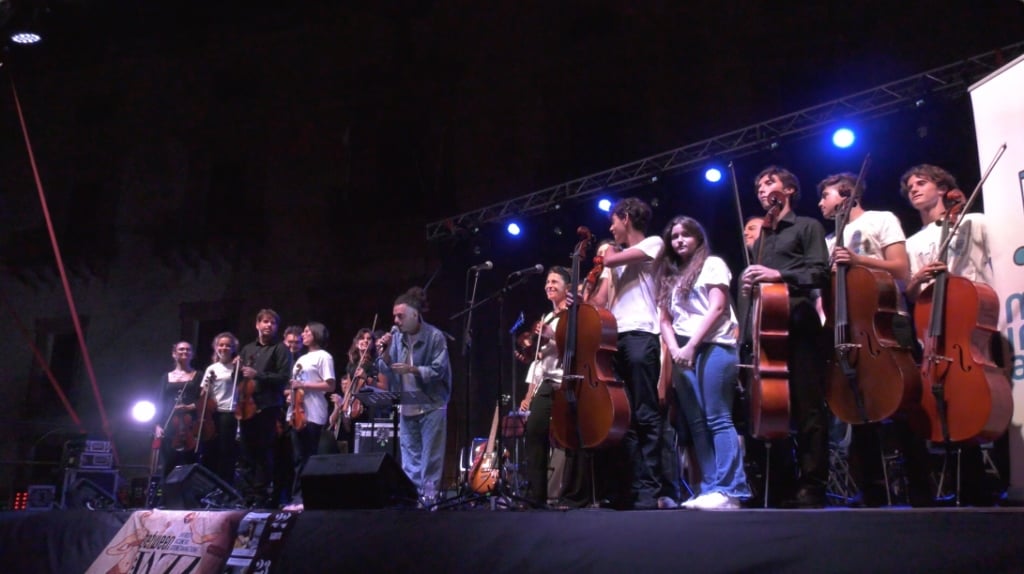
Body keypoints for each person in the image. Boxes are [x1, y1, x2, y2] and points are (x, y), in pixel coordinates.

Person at [817, 172, 934, 506]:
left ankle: (920, 489)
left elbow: (900, 269)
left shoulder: (881, 219)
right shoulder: (827, 241)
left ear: (845, 193)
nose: (820, 203)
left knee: (903, 403)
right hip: (849, 327)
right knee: (857, 405)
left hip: (887, 320)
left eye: (825, 195)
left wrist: (857, 259)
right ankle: (870, 489)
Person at [901, 163, 1005, 506]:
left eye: (922, 182)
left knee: (992, 399)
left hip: (977, 321)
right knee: (948, 402)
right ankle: (968, 481)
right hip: (937, 331)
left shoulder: (972, 222)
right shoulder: (914, 242)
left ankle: (1006, 476)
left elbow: (999, 262)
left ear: (943, 187)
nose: (914, 189)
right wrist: (919, 278)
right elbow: (913, 294)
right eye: (910, 186)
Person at [741, 166, 830, 508]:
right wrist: (749, 285)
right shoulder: (760, 238)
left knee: (808, 406)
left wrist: (778, 273)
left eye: (769, 182)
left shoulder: (807, 226)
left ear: (789, 189)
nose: (762, 189)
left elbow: (819, 272)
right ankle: (777, 484)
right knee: (770, 407)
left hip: (799, 323)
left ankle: (812, 484)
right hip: (764, 327)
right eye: (758, 185)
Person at [655, 215, 751, 510]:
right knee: (696, 422)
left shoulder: (712, 264)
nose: (679, 240)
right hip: (683, 352)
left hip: (714, 346)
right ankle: (710, 488)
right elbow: (665, 320)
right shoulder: (670, 275)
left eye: (685, 235)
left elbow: (717, 307)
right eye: (674, 236)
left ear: (698, 238)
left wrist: (692, 345)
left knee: (717, 416)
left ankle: (731, 488)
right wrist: (675, 350)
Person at [591, 197, 678, 509]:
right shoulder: (616, 258)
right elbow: (600, 301)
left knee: (645, 414)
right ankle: (631, 486)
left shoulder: (653, 243)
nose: (611, 228)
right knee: (623, 416)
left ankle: (652, 489)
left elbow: (611, 258)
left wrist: (606, 254)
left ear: (626, 217)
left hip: (642, 333)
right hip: (615, 338)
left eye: (613, 221)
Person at [376, 287, 452, 505]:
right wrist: (386, 352)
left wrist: (413, 370)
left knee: (431, 459)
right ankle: (414, 502)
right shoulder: (397, 337)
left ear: (414, 315)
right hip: (407, 404)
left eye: (400, 316)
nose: (396, 321)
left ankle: (429, 503)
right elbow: (386, 371)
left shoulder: (434, 336)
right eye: (394, 317)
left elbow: (440, 371)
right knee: (410, 459)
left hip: (431, 404)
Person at [519, 266, 570, 507]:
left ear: (567, 288)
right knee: (534, 431)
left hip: (567, 383)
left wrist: (552, 336)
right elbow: (542, 357)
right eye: (547, 282)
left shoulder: (573, 315)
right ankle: (536, 496)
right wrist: (533, 349)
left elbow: (575, 348)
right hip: (547, 383)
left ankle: (568, 493)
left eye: (555, 281)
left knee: (570, 439)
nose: (549, 285)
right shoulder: (547, 317)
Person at [237, 309, 292, 508]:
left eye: (273, 323)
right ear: (257, 325)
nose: (269, 325)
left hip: (267, 407)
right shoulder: (247, 349)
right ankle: (248, 494)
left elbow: (283, 377)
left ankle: (261, 496)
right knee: (246, 453)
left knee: (264, 453)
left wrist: (257, 374)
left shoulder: (280, 349)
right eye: (265, 322)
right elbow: (242, 378)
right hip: (246, 408)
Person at [284, 322, 336, 511]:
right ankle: (296, 498)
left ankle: (305, 498)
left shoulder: (324, 356)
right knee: (298, 458)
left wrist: (303, 386)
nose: (302, 334)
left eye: (306, 331)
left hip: (313, 412)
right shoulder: (301, 358)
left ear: (316, 334)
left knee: (307, 456)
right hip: (296, 411)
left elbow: (330, 385)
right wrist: (291, 393)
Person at [200, 332, 242, 487]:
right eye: (221, 345)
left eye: (228, 345)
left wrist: (241, 366)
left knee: (227, 453)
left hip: (230, 413)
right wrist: (205, 391)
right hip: (213, 414)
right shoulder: (212, 368)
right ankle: (210, 487)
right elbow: (204, 393)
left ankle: (226, 488)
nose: (224, 348)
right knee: (211, 451)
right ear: (216, 348)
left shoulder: (238, 367)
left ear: (233, 348)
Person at [155, 341, 201, 478]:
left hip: (190, 423)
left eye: (188, 350)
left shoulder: (198, 375)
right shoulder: (166, 377)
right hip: (169, 424)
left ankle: (187, 497)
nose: (184, 352)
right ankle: (168, 496)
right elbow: (159, 401)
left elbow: (205, 400)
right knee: (169, 462)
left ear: (192, 354)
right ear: (174, 354)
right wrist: (157, 425)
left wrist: (190, 406)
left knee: (190, 464)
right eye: (181, 349)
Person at [273, 325, 304, 506]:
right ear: (284, 342)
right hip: (280, 411)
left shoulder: (303, 361)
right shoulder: (280, 359)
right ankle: (278, 496)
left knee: (295, 456)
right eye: (290, 342)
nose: (293, 345)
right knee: (279, 456)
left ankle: (294, 496)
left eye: (297, 342)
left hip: (297, 411)